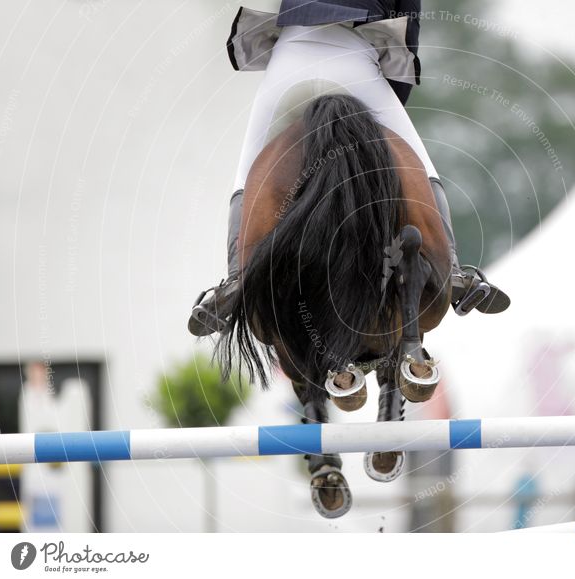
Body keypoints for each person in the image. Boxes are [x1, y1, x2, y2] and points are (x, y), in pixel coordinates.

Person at [188, 0, 510, 336]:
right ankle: (455, 274)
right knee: (422, 170)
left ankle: (236, 282)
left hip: (289, 62)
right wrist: (382, 121)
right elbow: (407, 39)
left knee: (247, 174)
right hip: (355, 63)